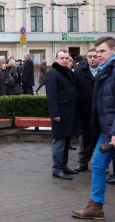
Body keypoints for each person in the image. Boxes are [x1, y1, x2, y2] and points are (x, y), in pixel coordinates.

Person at [71, 36, 115, 219]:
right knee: (97, 165)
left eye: (102, 51)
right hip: (105, 131)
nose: (98, 55)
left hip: (111, 132)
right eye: (96, 52)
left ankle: (96, 206)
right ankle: (96, 207)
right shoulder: (106, 70)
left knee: (97, 165)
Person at [45, 50, 79, 180]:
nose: (64, 60)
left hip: (69, 113)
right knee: (59, 142)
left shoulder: (68, 72)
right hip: (60, 114)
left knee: (66, 141)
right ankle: (57, 169)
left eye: (66, 58)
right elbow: (51, 96)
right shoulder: (52, 73)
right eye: (62, 58)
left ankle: (63, 166)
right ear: (56, 59)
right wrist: (55, 114)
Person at [73, 48, 99, 173]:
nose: (93, 59)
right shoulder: (78, 71)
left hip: (100, 113)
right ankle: (83, 163)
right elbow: (74, 91)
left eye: (95, 56)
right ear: (86, 58)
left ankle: (100, 165)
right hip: (85, 111)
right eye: (90, 56)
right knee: (84, 140)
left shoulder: (105, 70)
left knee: (100, 140)